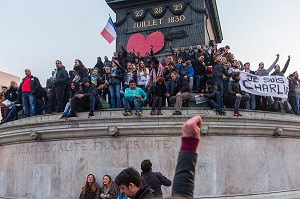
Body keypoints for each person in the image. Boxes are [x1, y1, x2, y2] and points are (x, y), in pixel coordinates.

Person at [116, 115, 202, 199]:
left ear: (131, 185)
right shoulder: (157, 176)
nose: (121, 191)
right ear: (151, 166)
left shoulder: (142, 179)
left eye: (122, 188)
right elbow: (172, 186)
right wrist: (189, 144)